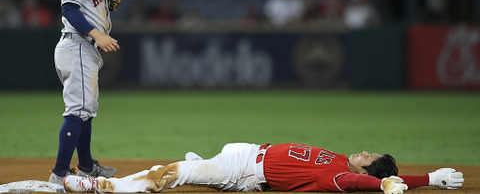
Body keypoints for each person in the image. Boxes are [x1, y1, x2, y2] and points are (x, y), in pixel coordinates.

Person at [63, 142, 464, 193]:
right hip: (245, 159)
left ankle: (102, 189)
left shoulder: (341, 175)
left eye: (371, 157)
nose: (365, 151)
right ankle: (201, 165)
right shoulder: (340, 161)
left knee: (168, 174)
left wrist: (384, 185)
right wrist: (430, 176)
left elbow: (358, 184)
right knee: (191, 168)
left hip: (244, 168)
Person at [49, 0, 120, 185]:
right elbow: (69, 10)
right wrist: (97, 34)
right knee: (78, 110)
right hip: (77, 44)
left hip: (84, 48)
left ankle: (87, 167)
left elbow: (88, 7)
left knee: (86, 111)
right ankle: (59, 175)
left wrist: (105, 6)